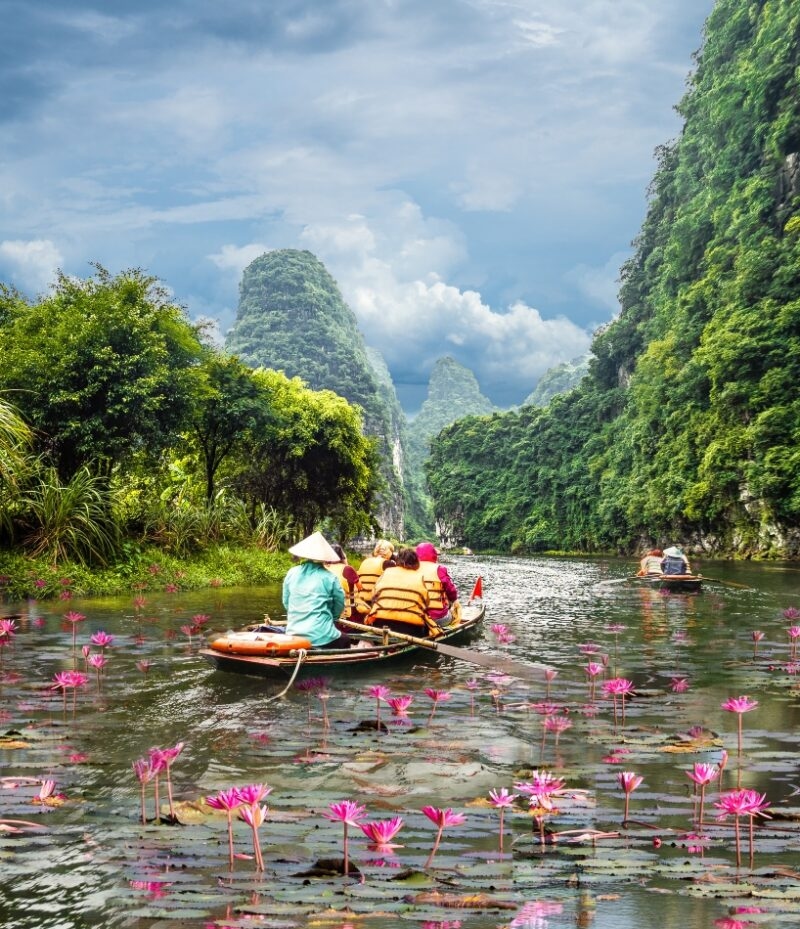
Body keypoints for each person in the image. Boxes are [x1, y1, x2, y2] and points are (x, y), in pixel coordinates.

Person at [282, 532, 350, 649]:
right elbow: (339, 605)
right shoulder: (330, 577)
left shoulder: (291, 573)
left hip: (293, 634)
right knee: (345, 639)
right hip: (322, 635)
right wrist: (332, 617)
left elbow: (286, 602)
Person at [365, 547, 435, 637]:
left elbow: (374, 596)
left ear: (398, 560)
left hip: (380, 624)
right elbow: (426, 603)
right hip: (409, 628)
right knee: (426, 623)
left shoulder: (386, 572)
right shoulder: (420, 577)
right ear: (417, 562)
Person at [415, 541, 460, 626]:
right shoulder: (439, 569)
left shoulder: (411, 568)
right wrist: (454, 601)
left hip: (415, 616)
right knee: (453, 609)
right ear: (434, 554)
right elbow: (451, 591)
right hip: (437, 618)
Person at [354, 539, 395, 617]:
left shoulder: (365, 561)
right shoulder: (388, 563)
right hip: (377, 602)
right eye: (391, 551)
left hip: (362, 600)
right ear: (387, 551)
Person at [326, 543, 361, 619]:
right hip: (346, 610)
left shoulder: (323, 568)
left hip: (327, 608)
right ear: (342, 555)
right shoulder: (347, 569)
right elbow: (360, 587)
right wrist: (346, 563)